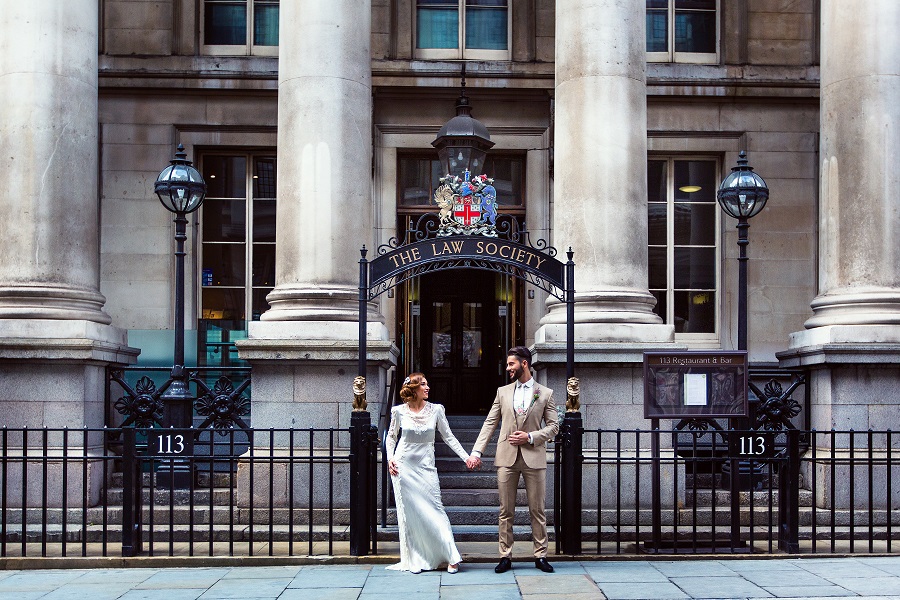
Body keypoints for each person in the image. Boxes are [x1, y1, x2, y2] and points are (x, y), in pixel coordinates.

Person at [466, 346, 559, 574]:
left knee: (537, 510)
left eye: (511, 364)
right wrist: (477, 452)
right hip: (506, 457)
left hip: (534, 458)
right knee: (505, 510)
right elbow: (490, 422)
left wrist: (530, 437)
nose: (508, 368)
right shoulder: (502, 392)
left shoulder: (545, 393)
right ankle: (505, 556)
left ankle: (540, 555)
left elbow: (554, 426)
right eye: (508, 364)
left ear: (524, 364)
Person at [385, 372, 471, 573]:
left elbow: (449, 437)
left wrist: (466, 457)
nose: (428, 387)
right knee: (411, 514)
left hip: (426, 468)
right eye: (423, 384)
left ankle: (452, 556)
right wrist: (390, 458)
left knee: (436, 510)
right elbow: (391, 437)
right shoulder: (398, 412)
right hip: (403, 467)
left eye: (427, 384)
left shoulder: (436, 410)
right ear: (413, 389)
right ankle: (416, 558)